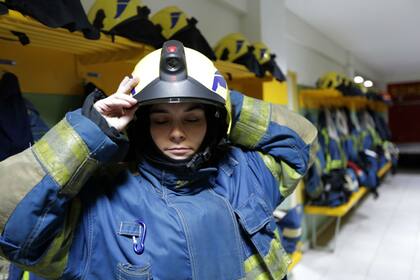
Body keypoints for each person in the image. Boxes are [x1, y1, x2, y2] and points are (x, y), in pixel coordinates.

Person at [0, 40, 317, 280]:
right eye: (162, 120)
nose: (177, 133)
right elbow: (10, 219)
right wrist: (89, 132)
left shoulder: (243, 174)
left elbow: (301, 141)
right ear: (142, 126)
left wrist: (224, 98)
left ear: (213, 123)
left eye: (192, 119)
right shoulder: (100, 202)